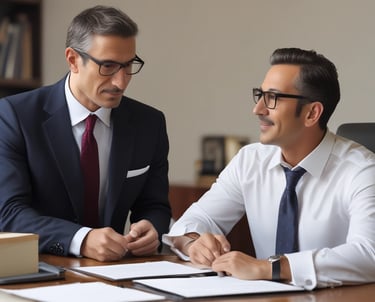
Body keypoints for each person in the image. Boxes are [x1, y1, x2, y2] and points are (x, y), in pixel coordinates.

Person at [163, 47, 375, 289]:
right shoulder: (250, 161)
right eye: (260, 95)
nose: (258, 109)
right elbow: (195, 220)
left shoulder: (363, 171)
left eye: (272, 98)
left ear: (312, 113)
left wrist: (271, 267)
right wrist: (194, 242)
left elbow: (369, 255)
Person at [0, 5, 171, 262]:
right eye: (108, 66)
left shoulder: (150, 123)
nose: (121, 82)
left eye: (128, 65)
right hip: (41, 272)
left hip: (118, 273)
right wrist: (80, 239)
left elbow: (155, 205)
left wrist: (152, 228)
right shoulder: (15, 116)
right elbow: (8, 212)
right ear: (72, 60)